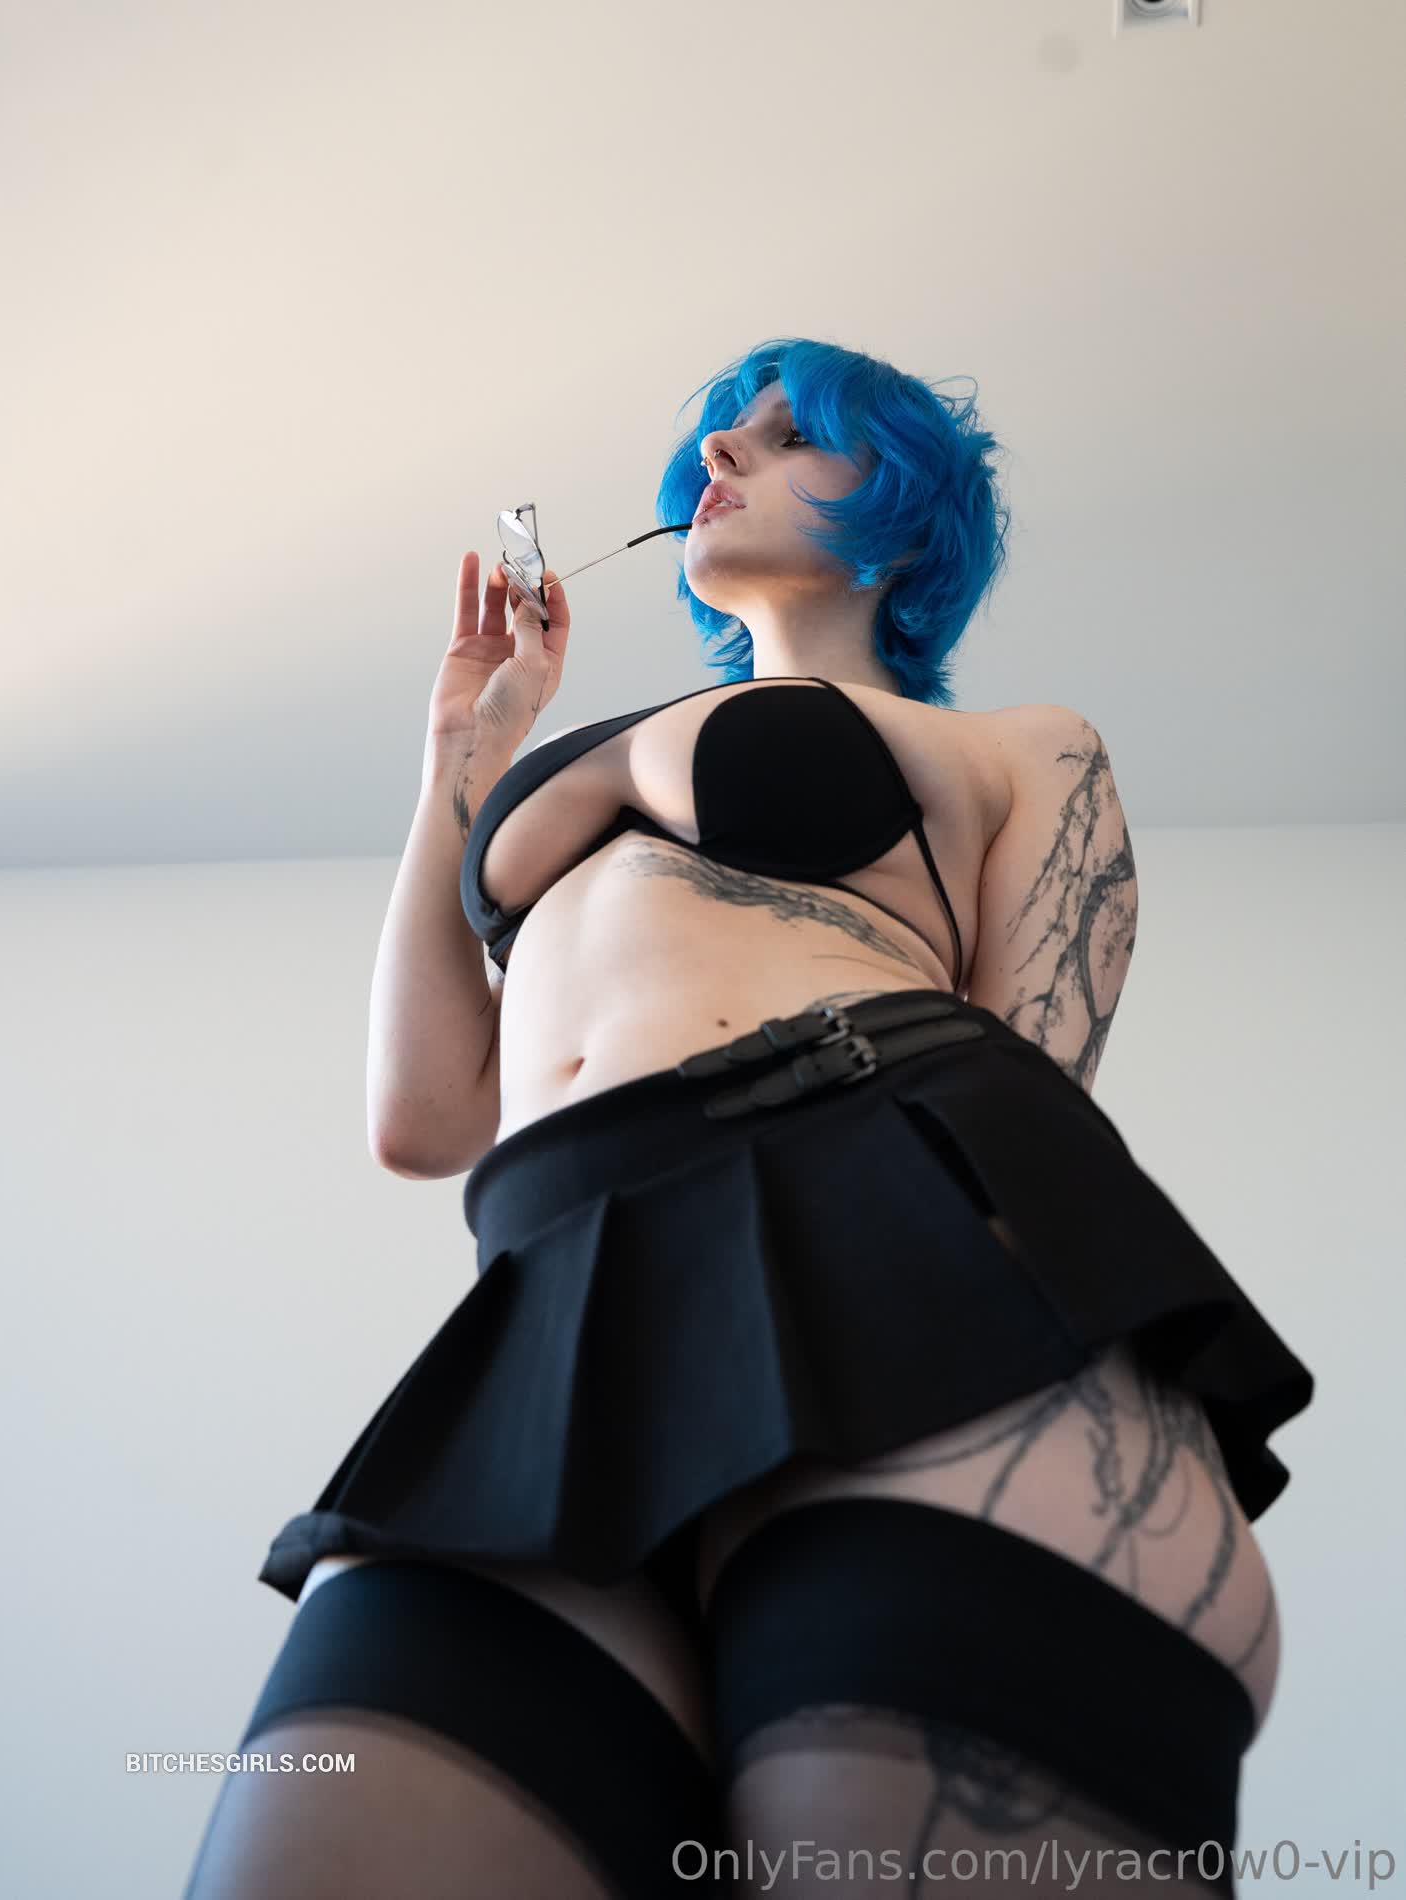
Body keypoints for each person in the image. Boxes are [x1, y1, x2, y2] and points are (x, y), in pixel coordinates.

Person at [184, 338, 1313, 1898]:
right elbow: (427, 1114)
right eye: (719, 437)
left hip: (882, 1231)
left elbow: (1035, 1087)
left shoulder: (1014, 746)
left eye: (784, 436)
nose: (722, 454)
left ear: (902, 512)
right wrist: (464, 753)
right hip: (568, 1308)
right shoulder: (567, 744)